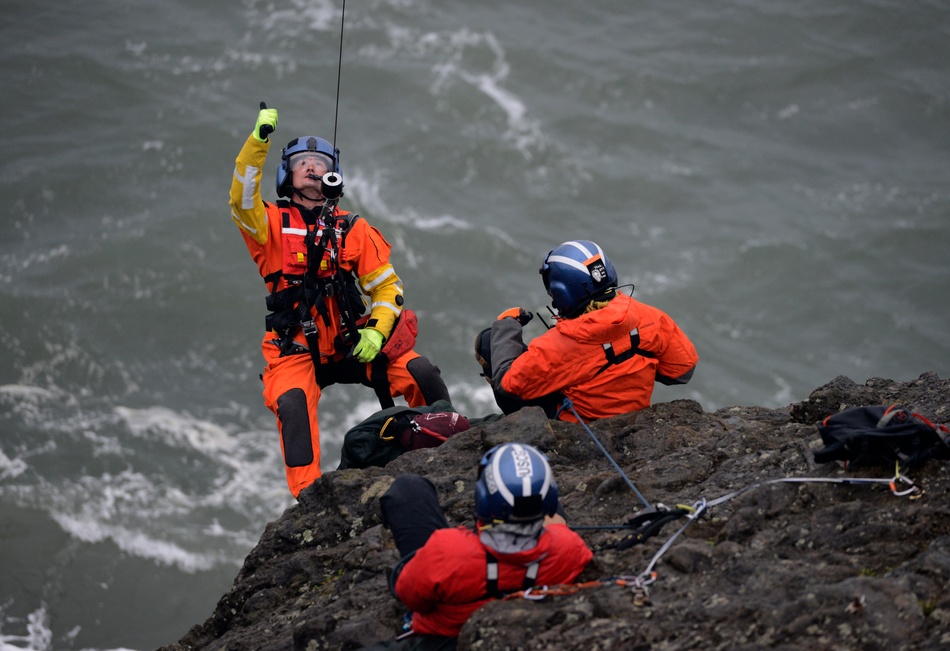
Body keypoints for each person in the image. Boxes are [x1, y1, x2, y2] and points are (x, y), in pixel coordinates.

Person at [229, 103, 450, 498]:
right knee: (293, 405)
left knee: (421, 372)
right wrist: (258, 141)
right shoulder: (268, 225)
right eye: (303, 163)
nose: (313, 168)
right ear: (287, 174)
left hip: (353, 343)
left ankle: (447, 447)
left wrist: (378, 335)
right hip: (294, 349)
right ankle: (310, 498)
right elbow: (241, 199)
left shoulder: (352, 227)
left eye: (320, 162)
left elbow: (387, 288)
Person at [368, 442, 593, 650]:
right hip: (524, 612)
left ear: (483, 498)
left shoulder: (446, 550)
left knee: (408, 488)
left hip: (444, 637)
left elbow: (410, 595)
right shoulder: (570, 547)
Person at [475, 240, 697, 423]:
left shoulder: (559, 345)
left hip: (575, 427)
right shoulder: (651, 317)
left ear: (562, 291)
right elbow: (681, 371)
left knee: (489, 340)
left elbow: (508, 384)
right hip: (633, 418)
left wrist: (507, 325)